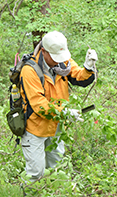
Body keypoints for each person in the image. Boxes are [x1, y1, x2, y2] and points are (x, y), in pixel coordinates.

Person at [20, 31, 98, 182]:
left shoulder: (63, 62)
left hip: (56, 126)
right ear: (44, 51)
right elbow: (39, 104)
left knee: (57, 168)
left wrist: (88, 67)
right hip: (35, 127)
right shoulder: (29, 70)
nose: (58, 62)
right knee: (35, 173)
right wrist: (64, 113)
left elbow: (78, 77)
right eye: (55, 58)